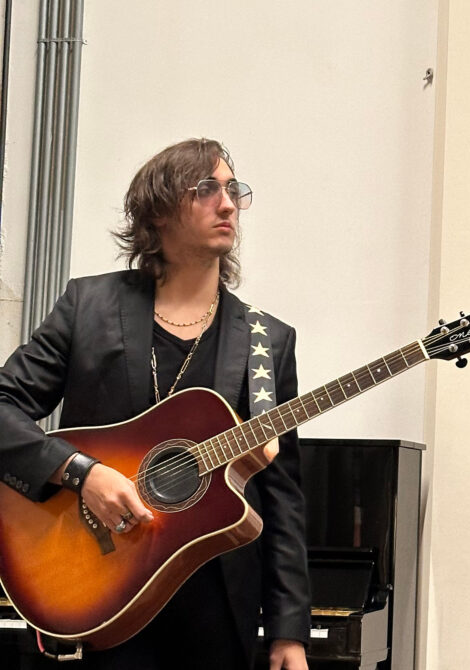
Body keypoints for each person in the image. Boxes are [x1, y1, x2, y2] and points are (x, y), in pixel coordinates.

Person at [0, 138, 311, 669]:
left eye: (234, 189)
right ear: (160, 211)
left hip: (218, 610)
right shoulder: (89, 307)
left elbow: (282, 497)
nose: (229, 203)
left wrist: (289, 632)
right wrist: (83, 473)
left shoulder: (267, 341)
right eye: (207, 188)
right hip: (99, 590)